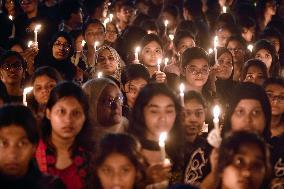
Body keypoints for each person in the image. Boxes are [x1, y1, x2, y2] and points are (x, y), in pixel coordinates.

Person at [36, 82, 95, 189]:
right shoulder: (32, 151)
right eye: (61, 111)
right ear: (48, 113)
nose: (68, 120)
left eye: (76, 113)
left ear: (84, 117)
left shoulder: (94, 155)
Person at [128, 83, 184, 186]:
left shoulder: (181, 149)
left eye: (169, 111)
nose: (162, 118)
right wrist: (145, 181)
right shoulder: (128, 151)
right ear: (141, 112)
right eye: (154, 111)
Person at [0, 104, 65, 189]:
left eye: (22, 143)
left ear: (34, 147)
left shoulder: (51, 186)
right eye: (3, 143)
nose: (12, 154)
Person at [83, 78, 128, 142]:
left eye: (118, 98)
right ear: (91, 104)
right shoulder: (77, 140)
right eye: (108, 100)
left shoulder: (131, 130)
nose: (116, 106)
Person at [182, 91, 212, 186]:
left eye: (198, 113)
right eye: (186, 113)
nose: (193, 119)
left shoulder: (209, 149)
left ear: (205, 113)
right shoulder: (167, 147)